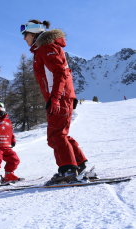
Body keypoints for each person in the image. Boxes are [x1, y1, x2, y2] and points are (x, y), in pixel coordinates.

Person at [20, 20, 95, 182]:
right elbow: (66, 72)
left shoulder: (46, 48)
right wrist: (70, 95)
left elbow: (60, 72)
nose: (24, 38)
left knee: (56, 135)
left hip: (58, 98)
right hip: (61, 96)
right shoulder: (45, 48)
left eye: (25, 34)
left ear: (34, 33)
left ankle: (68, 170)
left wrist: (56, 97)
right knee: (60, 134)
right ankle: (79, 164)